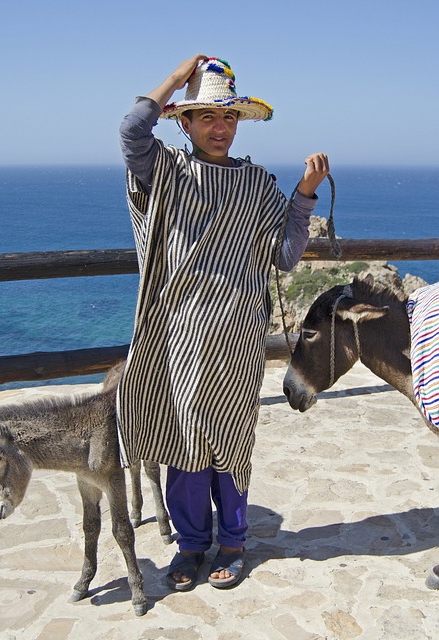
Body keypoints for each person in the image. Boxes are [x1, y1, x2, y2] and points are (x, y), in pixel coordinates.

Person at [117, 54, 329, 591]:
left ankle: (232, 543)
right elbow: (131, 129)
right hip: (177, 337)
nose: (220, 127)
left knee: (232, 439)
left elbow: (283, 254)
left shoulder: (257, 184)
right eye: (206, 116)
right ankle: (190, 546)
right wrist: (177, 72)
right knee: (185, 440)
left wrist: (304, 193)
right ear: (183, 122)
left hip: (237, 337)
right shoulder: (166, 171)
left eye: (229, 117)